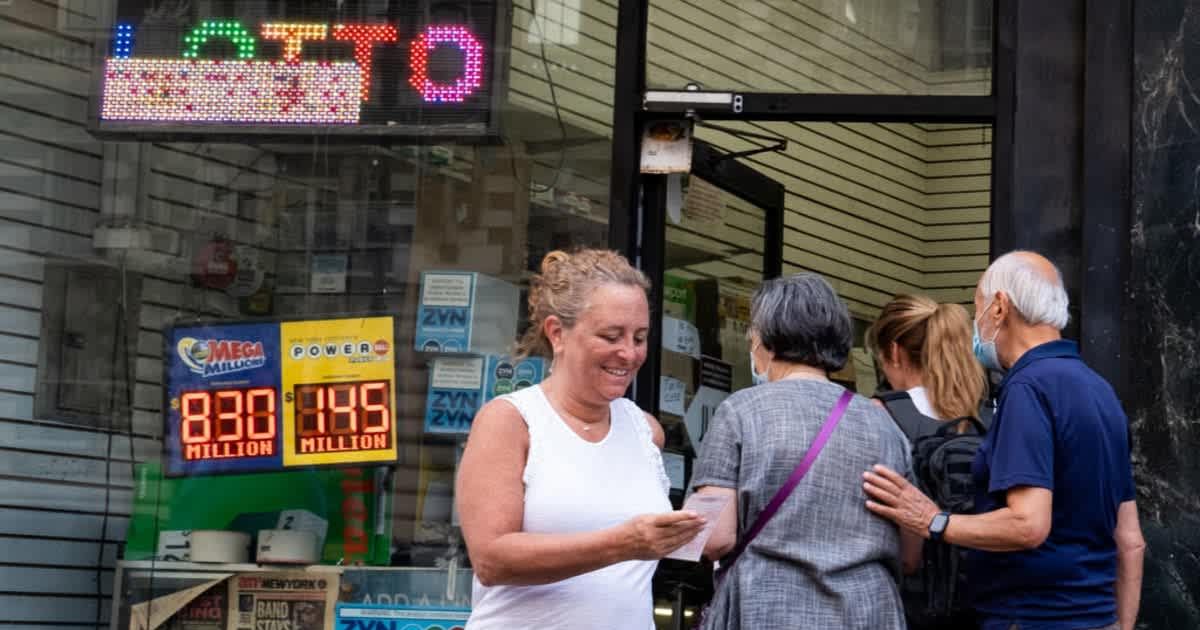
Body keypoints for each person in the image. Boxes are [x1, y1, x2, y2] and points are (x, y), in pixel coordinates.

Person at [864, 251, 1146, 630]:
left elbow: (1028, 524)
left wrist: (933, 520)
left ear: (999, 308)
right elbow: (1130, 541)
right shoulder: (1100, 392)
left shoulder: (1027, 388)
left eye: (978, 306)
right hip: (1097, 617)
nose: (976, 325)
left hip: (1030, 617)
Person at [456, 248, 705, 630]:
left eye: (639, 337)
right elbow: (491, 560)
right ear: (557, 333)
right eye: (611, 336)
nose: (629, 353)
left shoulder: (645, 431)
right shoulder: (511, 421)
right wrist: (625, 543)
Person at [692, 272, 915, 630]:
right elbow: (910, 555)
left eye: (753, 332)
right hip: (870, 613)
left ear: (767, 338)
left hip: (766, 610)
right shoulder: (885, 427)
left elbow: (715, 537)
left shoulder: (741, 412)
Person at [866, 294, 989, 629]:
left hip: (912, 602)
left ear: (893, 351)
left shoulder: (882, 413)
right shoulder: (988, 416)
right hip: (985, 601)